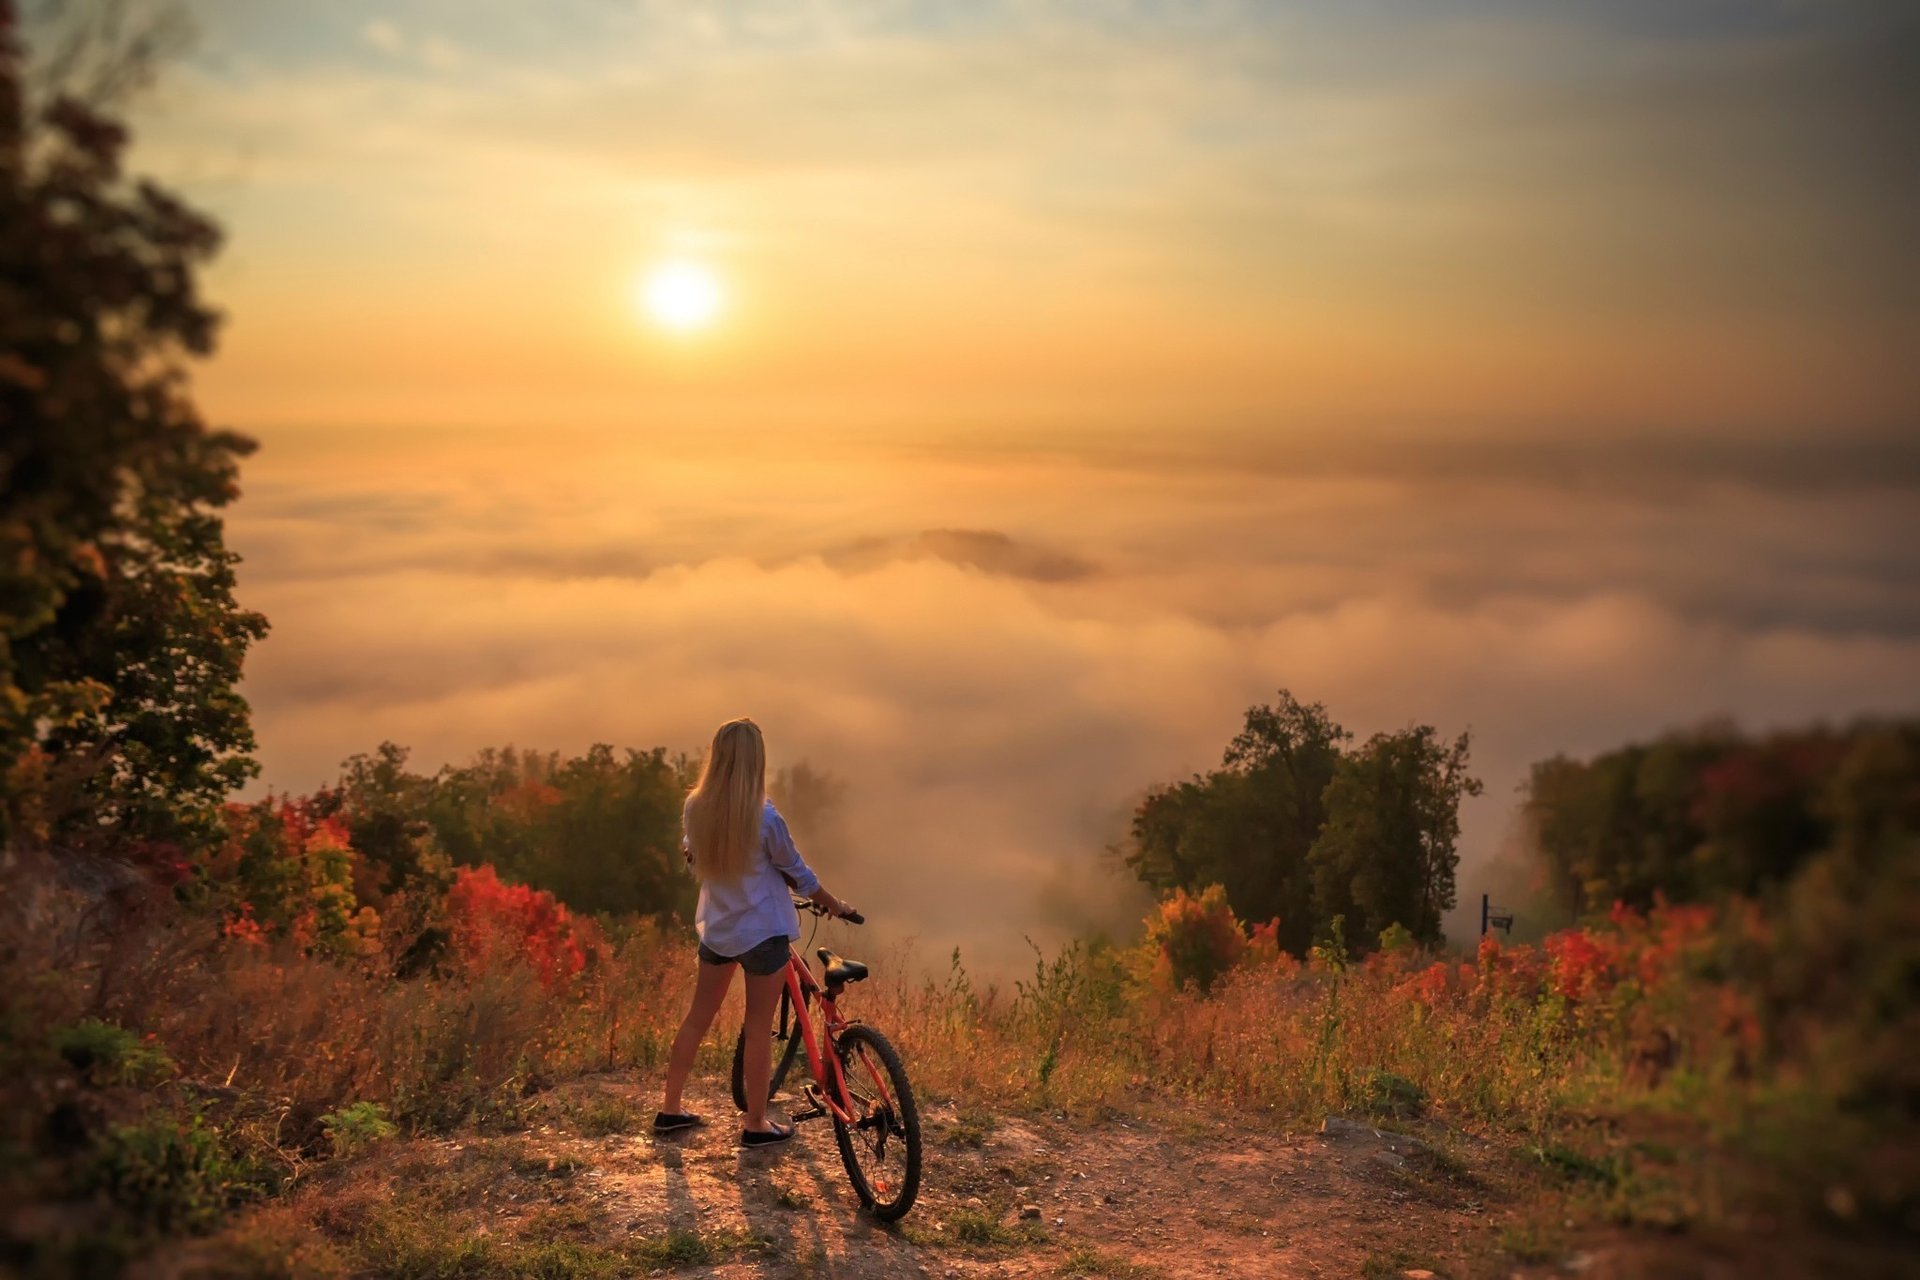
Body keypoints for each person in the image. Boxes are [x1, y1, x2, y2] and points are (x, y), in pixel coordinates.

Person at [655, 718, 854, 1146]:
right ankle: (756, 1124)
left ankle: (670, 1110)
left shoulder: (696, 805)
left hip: (719, 930)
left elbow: (691, 853)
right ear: (756, 762)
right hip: (763, 934)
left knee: (697, 1019)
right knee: (759, 1027)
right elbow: (798, 874)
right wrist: (833, 903)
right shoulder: (765, 818)